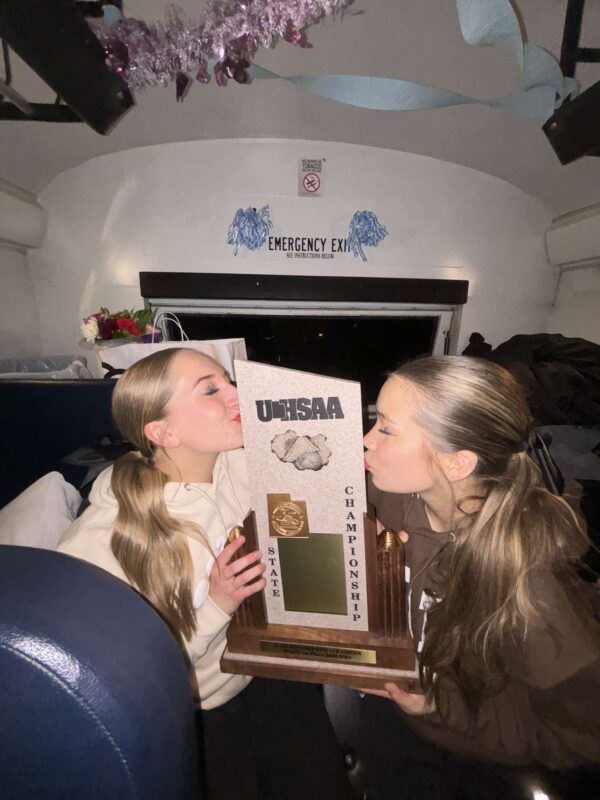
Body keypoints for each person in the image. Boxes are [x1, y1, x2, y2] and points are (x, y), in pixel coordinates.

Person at [58, 347, 353, 800]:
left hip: (263, 664)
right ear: (163, 432)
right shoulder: (109, 538)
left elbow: (318, 465)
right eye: (212, 390)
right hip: (203, 706)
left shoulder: (235, 461)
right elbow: (119, 676)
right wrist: (217, 605)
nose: (237, 394)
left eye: (229, 381)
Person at [361, 355, 600, 799]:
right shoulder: (397, 495)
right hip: (399, 705)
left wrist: (439, 705)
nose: (366, 440)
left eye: (386, 429)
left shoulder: (535, 592)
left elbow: (581, 738)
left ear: (457, 463)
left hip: (468, 753)